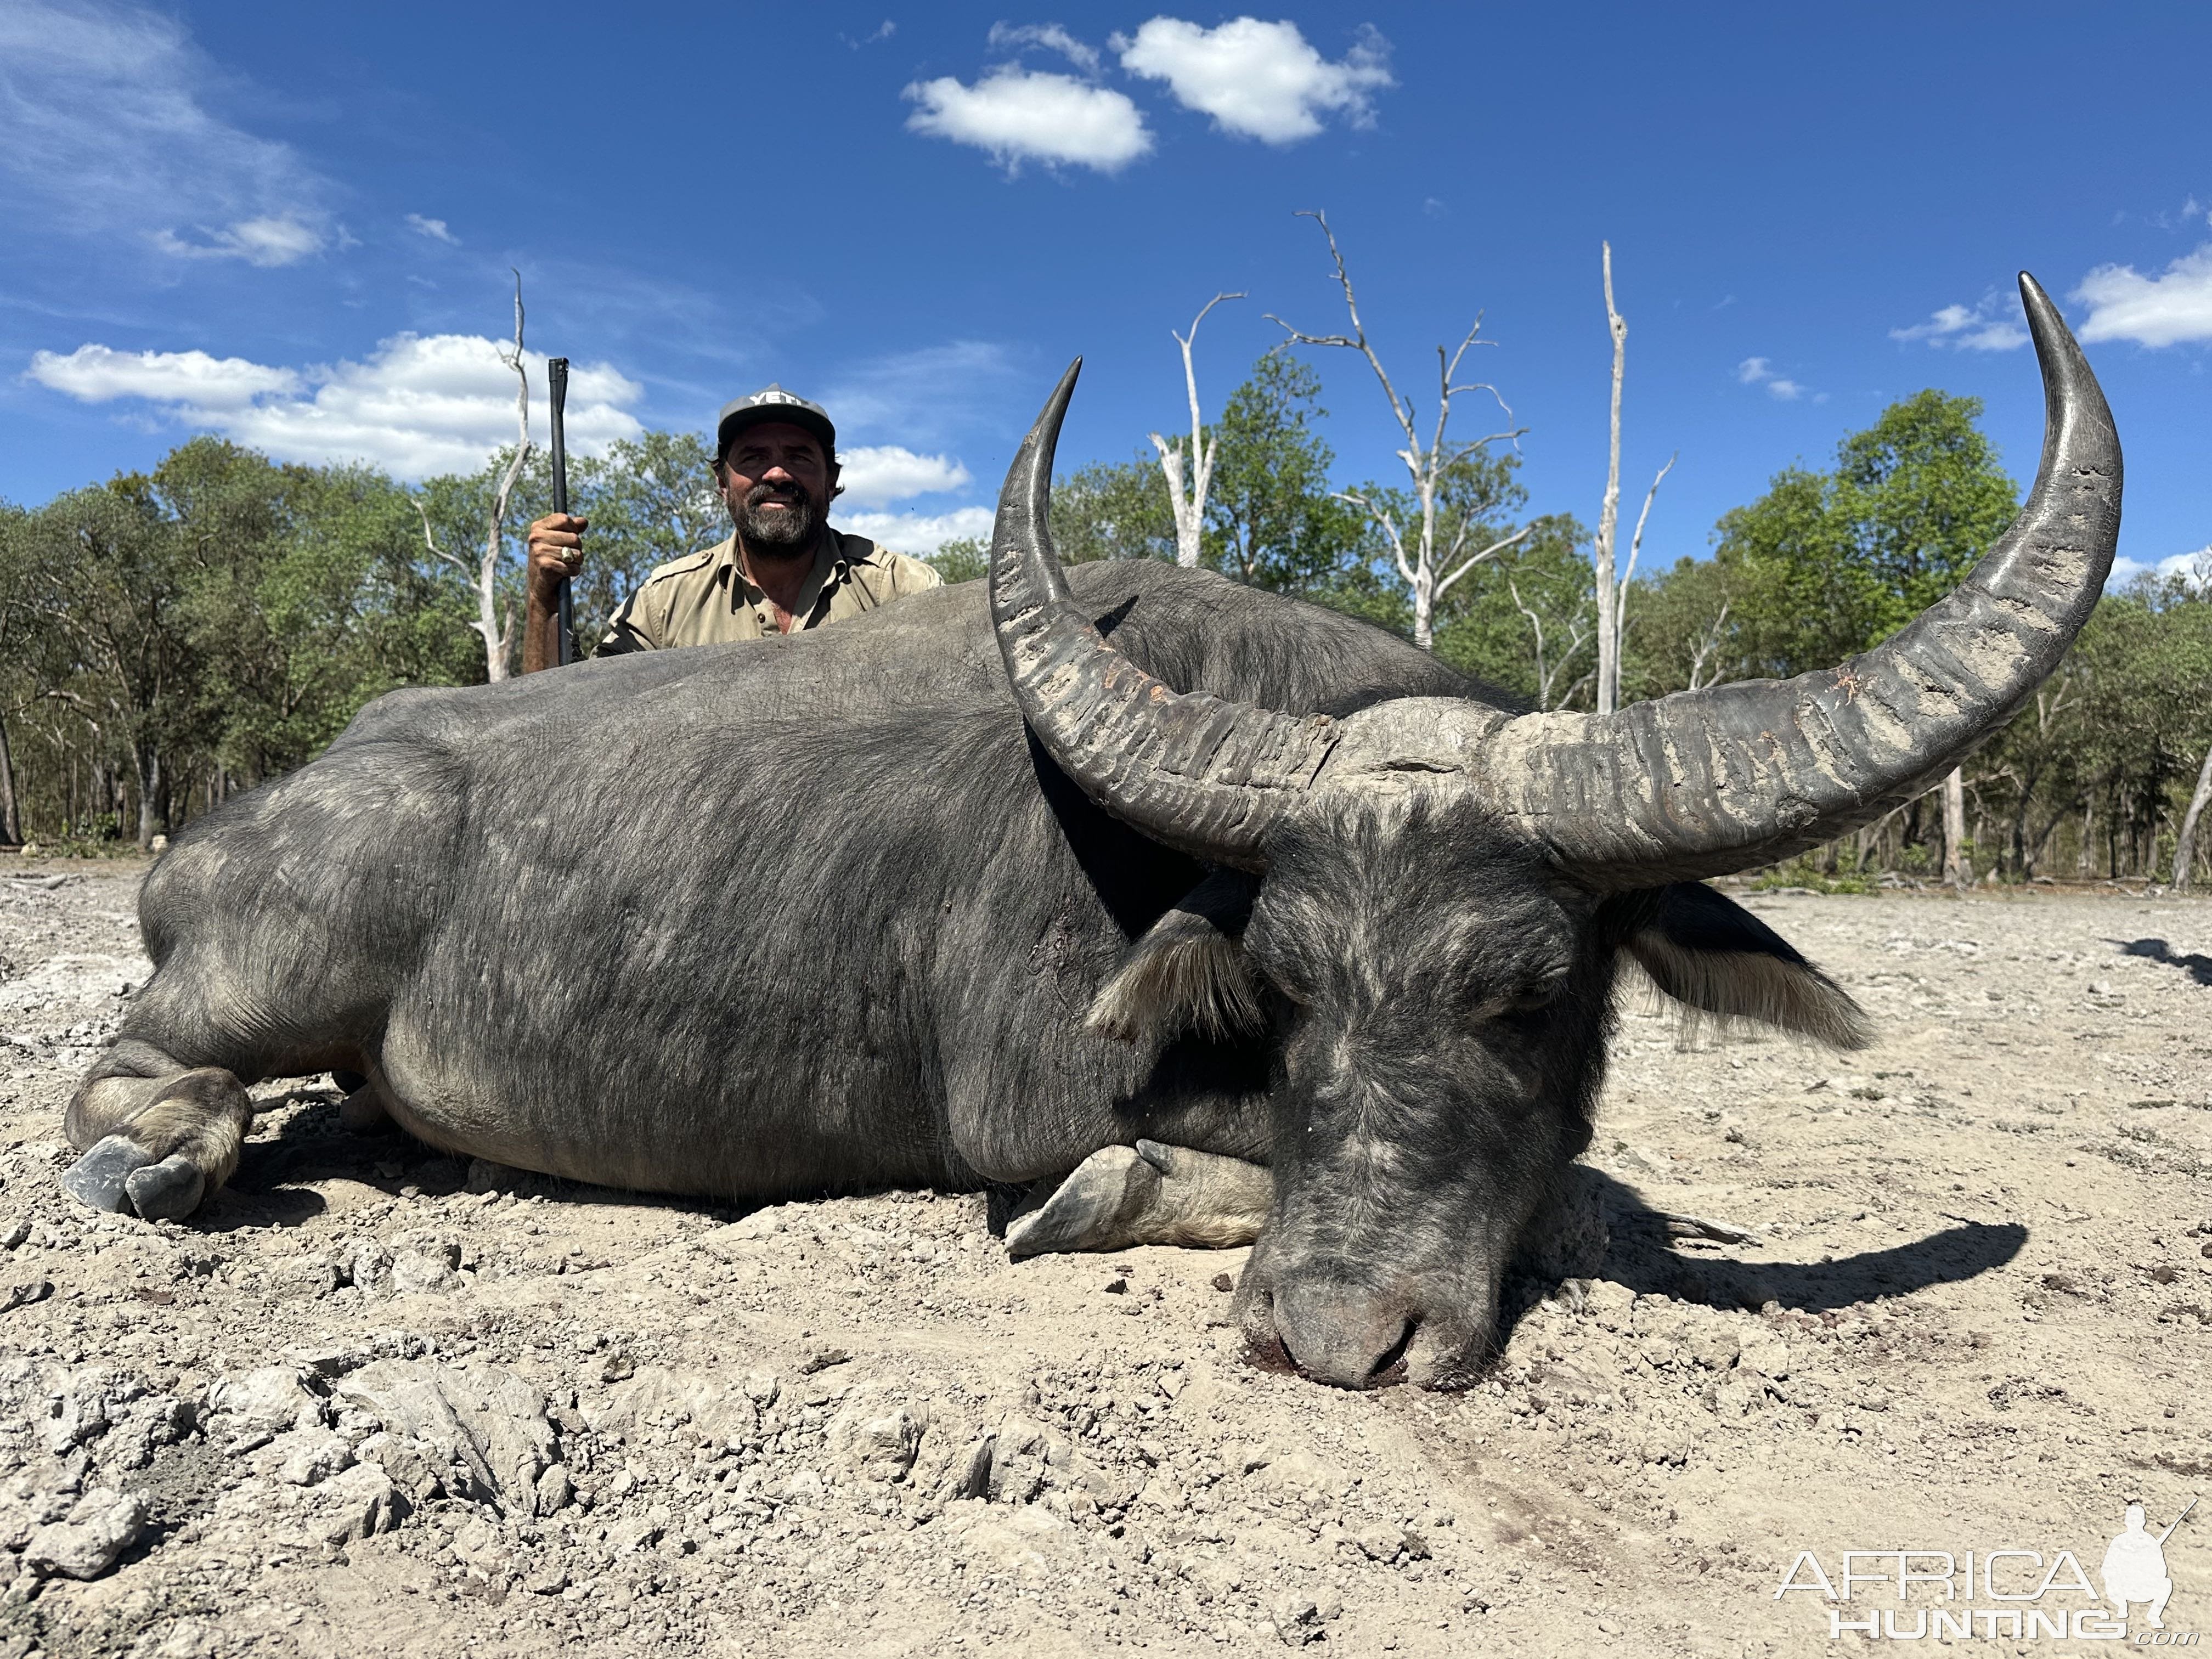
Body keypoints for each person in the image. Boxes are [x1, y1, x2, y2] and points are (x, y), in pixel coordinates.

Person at [523, 385, 941, 659]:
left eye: (799, 456)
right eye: (755, 457)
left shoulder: (906, 592)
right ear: (722, 482)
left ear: (831, 481)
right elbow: (563, 725)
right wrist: (542, 600)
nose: (778, 474)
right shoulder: (664, 604)